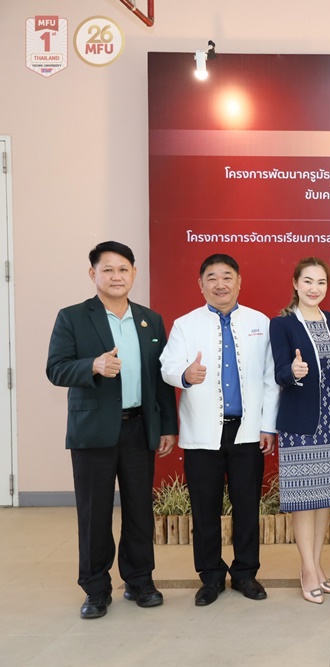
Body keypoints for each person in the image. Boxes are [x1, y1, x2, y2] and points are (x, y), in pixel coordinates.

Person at [46, 241, 178, 619]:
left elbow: (160, 379)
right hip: (93, 432)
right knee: (95, 514)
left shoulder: (150, 320)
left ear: (134, 273)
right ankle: (96, 589)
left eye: (123, 269)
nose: (116, 276)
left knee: (139, 511)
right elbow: (56, 368)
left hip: (139, 428)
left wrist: (167, 426)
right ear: (93, 274)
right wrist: (93, 365)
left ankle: (139, 581)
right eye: (108, 270)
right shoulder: (72, 317)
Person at [160, 254, 279, 606]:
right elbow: (167, 365)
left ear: (239, 282)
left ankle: (245, 574)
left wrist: (268, 425)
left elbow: (271, 378)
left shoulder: (260, 322)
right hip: (202, 433)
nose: (220, 284)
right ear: (201, 285)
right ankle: (210, 577)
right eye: (211, 278)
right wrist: (184, 374)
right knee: (204, 509)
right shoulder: (185, 325)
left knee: (247, 507)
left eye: (227, 276)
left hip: (248, 432)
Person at [270, 257, 330, 604]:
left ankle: (317, 565)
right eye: (307, 281)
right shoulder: (282, 324)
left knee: (324, 502)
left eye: (321, 282)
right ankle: (307, 570)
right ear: (295, 283)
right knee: (304, 502)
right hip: (301, 425)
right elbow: (279, 371)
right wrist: (293, 372)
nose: (314, 288)